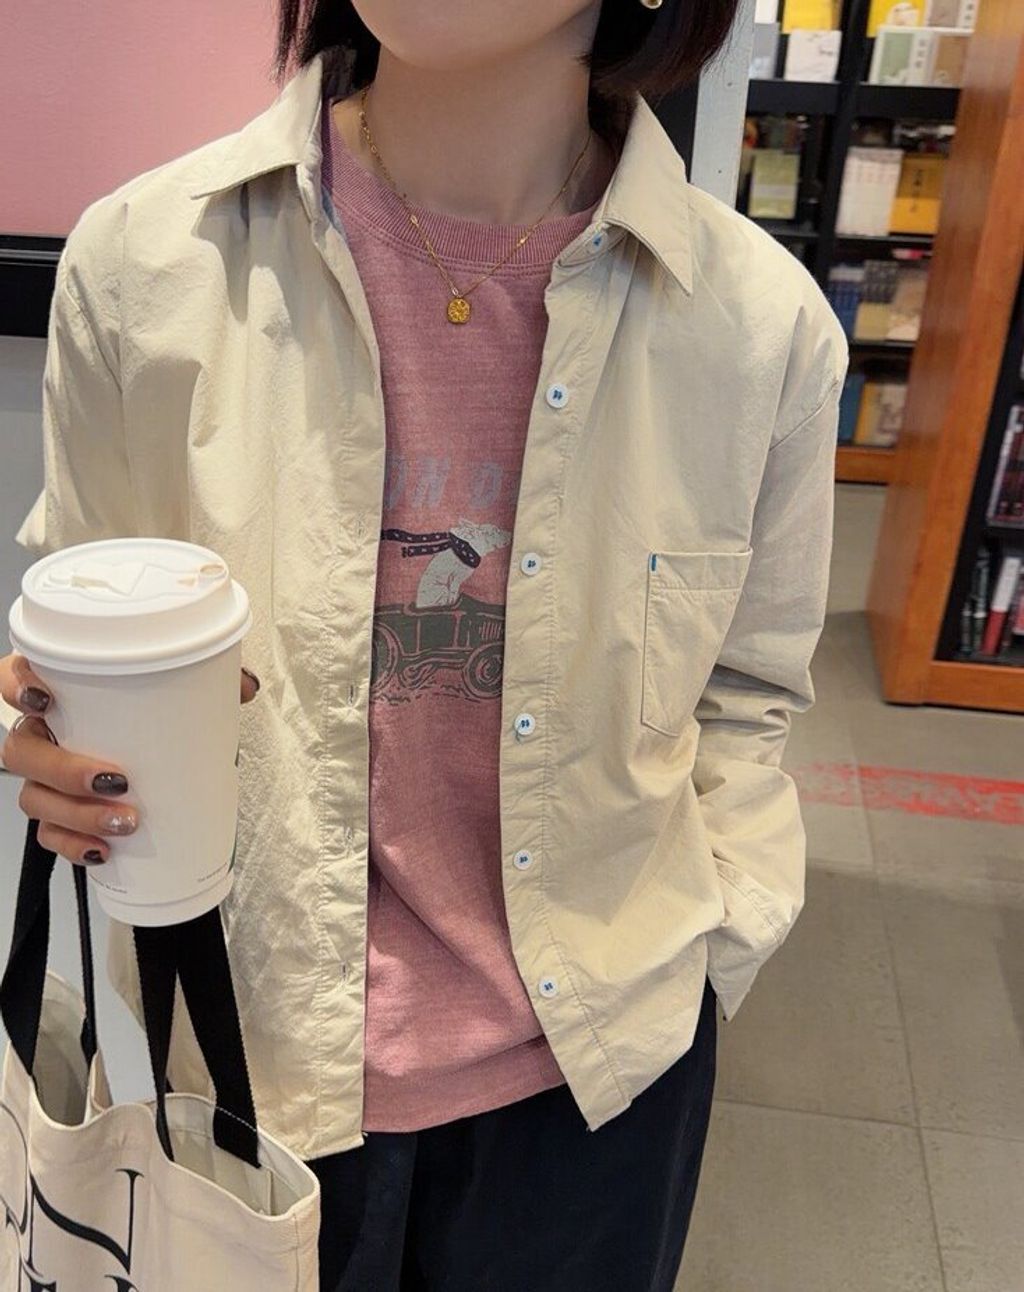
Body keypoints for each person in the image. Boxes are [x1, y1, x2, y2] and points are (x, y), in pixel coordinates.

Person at [0, 1, 849, 1287]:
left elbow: (745, 689)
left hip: (597, 1080)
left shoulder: (754, 326)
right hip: (235, 1053)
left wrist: (717, 942)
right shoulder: (145, 264)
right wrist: (55, 737)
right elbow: (88, 629)